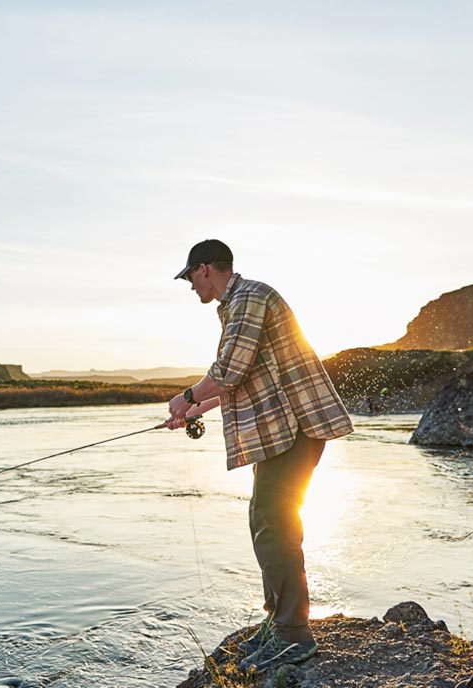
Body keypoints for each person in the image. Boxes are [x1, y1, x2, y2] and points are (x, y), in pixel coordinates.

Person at [165, 238, 354, 673]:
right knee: (263, 517)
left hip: (298, 426)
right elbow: (245, 377)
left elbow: (229, 369)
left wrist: (187, 395)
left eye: (190, 276)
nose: (190, 286)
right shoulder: (236, 305)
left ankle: (293, 635)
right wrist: (197, 407)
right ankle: (278, 621)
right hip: (281, 431)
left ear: (206, 269)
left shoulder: (250, 297)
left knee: (273, 520)